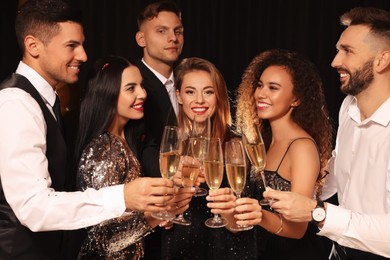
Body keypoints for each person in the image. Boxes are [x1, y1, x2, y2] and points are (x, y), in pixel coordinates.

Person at [0, 1, 175, 259]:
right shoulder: (17, 103)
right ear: (33, 46)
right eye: (71, 46)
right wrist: (123, 196)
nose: (83, 55)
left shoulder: (46, 101)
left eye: (81, 45)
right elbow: (32, 208)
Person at [263, 7, 390, 260]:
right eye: (338, 49)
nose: (335, 61)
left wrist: (317, 212)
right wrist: (297, 183)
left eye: (347, 51)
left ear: (382, 60)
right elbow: (339, 167)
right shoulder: (349, 107)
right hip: (339, 251)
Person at [207, 49, 333, 259]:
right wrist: (229, 209)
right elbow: (241, 225)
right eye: (259, 85)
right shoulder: (260, 142)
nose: (261, 94)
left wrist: (259, 215)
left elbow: (298, 229)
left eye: (273, 88)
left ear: (296, 99)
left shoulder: (302, 147)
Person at [74, 56, 193, 259]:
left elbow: (125, 218)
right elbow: (103, 240)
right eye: (131, 88)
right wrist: (154, 217)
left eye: (141, 86)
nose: (143, 94)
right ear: (107, 94)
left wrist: (160, 213)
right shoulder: (104, 149)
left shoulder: (125, 141)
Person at [162, 57, 264, 259]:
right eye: (190, 91)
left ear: (218, 96)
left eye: (208, 92)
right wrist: (166, 213)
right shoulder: (171, 148)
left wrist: (227, 211)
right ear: (179, 96)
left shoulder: (236, 146)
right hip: (179, 250)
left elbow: (242, 225)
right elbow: (161, 215)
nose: (199, 100)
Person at [133, 1, 184, 258]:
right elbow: (138, 148)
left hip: (186, 212)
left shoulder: (188, 80)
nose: (173, 38)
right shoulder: (133, 84)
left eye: (178, 30)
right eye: (161, 31)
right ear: (141, 38)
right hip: (150, 217)